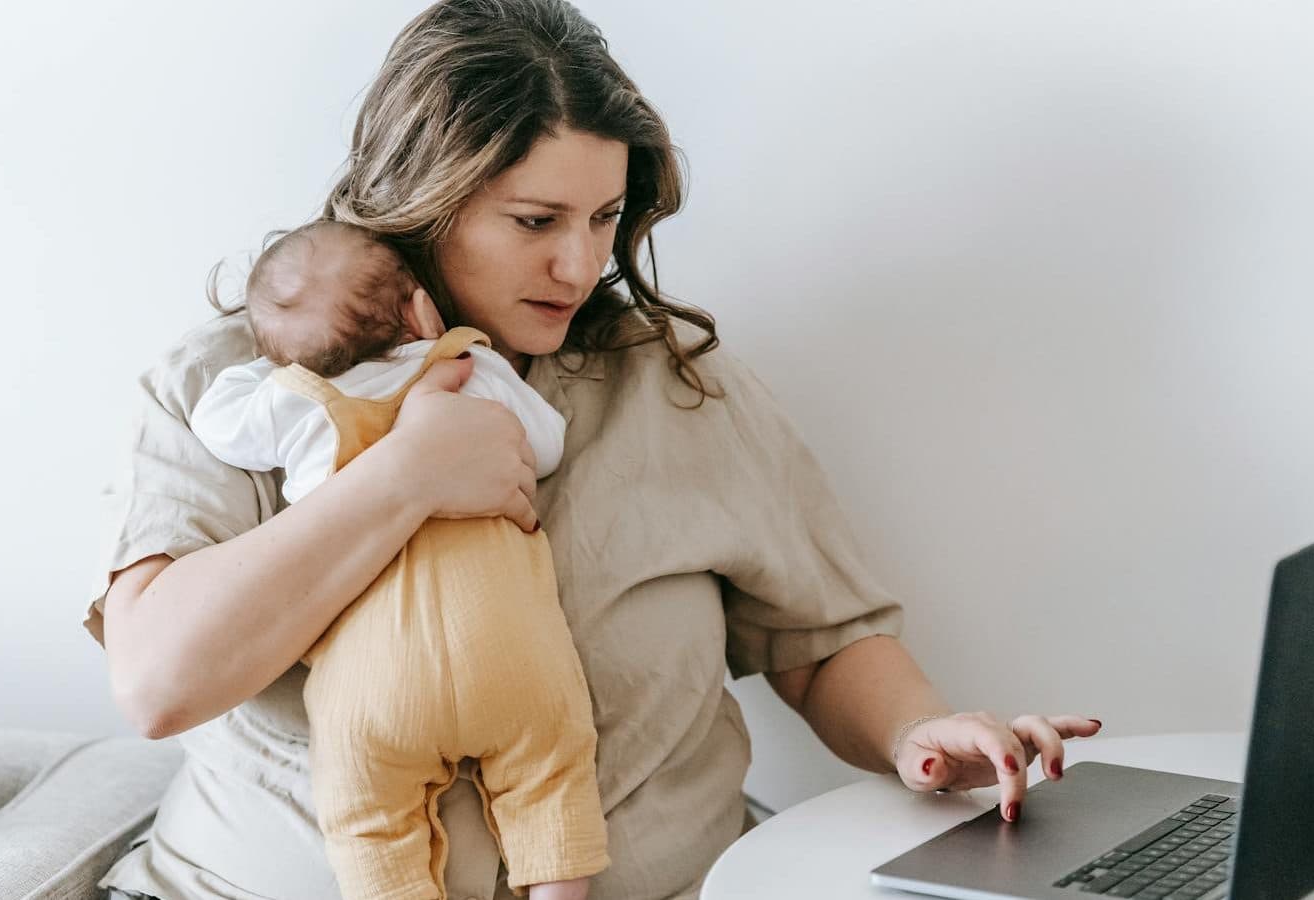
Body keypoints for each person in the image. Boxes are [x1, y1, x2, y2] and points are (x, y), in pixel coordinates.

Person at [86, 2, 1102, 898]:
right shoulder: (235, 388)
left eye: (605, 219)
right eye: (535, 221)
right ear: (421, 199)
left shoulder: (676, 384)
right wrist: (400, 480)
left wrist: (913, 734)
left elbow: (821, 639)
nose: (578, 263)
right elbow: (160, 683)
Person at [189, 220, 605, 900]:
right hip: (507, 649)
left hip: (374, 683)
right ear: (419, 307)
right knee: (553, 776)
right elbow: (547, 443)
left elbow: (218, 421)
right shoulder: (467, 366)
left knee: (369, 821)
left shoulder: (298, 403)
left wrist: (281, 362)